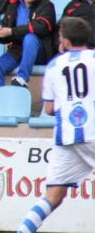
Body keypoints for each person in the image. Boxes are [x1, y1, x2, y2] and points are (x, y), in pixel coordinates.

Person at [15, 17, 95, 233]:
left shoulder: (54, 65)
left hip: (66, 136)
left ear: (65, 41)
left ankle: (23, 231)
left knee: (53, 196)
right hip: (93, 132)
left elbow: (49, 109)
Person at [0, 0, 56, 90]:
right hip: (17, 50)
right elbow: (8, 33)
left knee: (30, 38)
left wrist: (11, 32)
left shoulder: (47, 6)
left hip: (39, 51)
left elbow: (41, 27)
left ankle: (22, 78)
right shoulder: (14, 5)